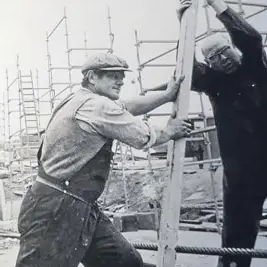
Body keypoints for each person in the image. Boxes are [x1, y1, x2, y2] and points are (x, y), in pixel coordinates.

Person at [15, 52, 193, 267]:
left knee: (123, 261)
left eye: (121, 75)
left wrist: (166, 96)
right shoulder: (96, 106)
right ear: (92, 77)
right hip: (57, 208)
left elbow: (128, 106)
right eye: (112, 75)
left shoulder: (78, 99)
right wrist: (168, 131)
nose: (121, 80)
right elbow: (142, 136)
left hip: (76, 204)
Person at [175, 0, 267, 267]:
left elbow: (250, 38)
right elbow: (186, 71)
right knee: (237, 237)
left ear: (233, 48)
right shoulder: (214, 84)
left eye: (224, 51)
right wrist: (183, 25)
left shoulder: (256, 65)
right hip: (243, 171)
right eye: (213, 58)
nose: (222, 59)